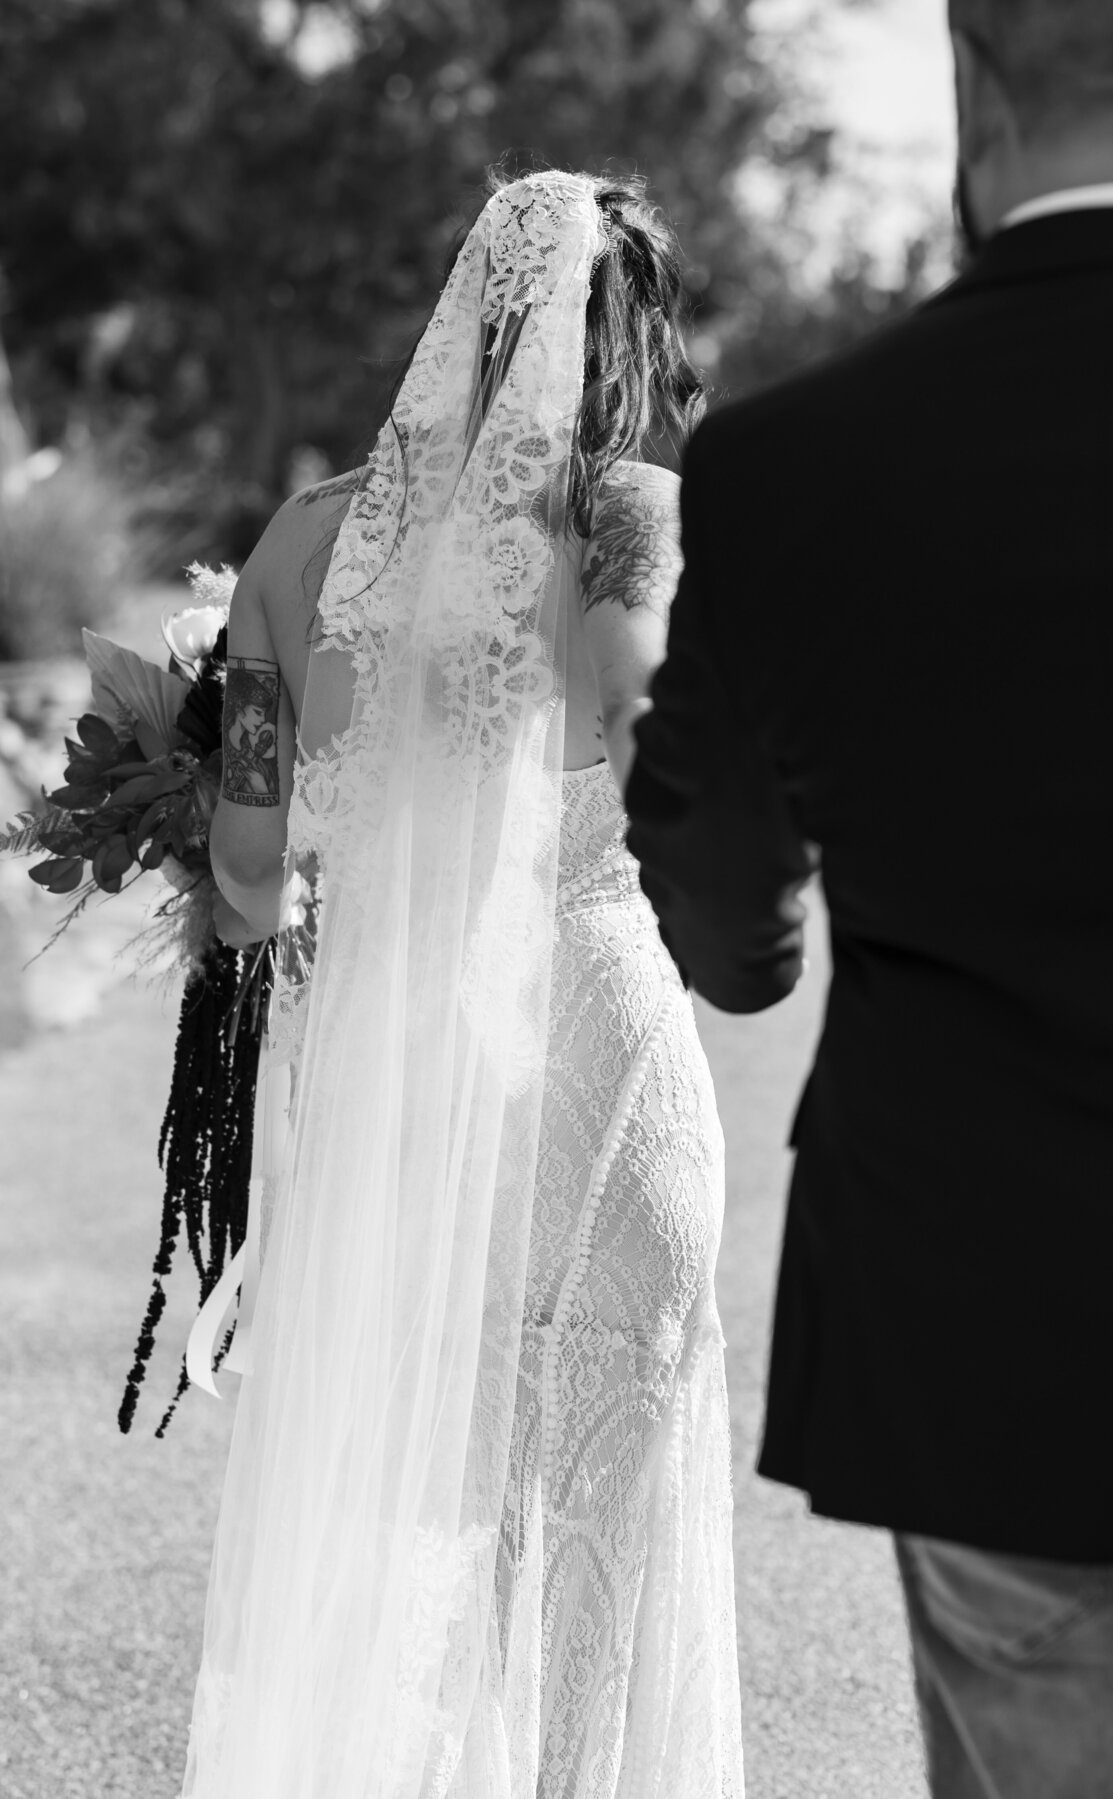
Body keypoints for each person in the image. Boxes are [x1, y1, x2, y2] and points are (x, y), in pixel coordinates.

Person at [622, 2, 1113, 1793]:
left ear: (976, 93)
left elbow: (721, 914)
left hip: (1010, 1348)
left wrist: (776, 939)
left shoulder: (796, 463)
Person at [185, 171, 743, 1798]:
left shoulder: (299, 543)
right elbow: (660, 753)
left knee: (425, 1508)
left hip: (402, 1069)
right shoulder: (628, 516)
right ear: (626, 336)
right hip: (597, 1034)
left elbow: (244, 870)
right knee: (604, 1522)